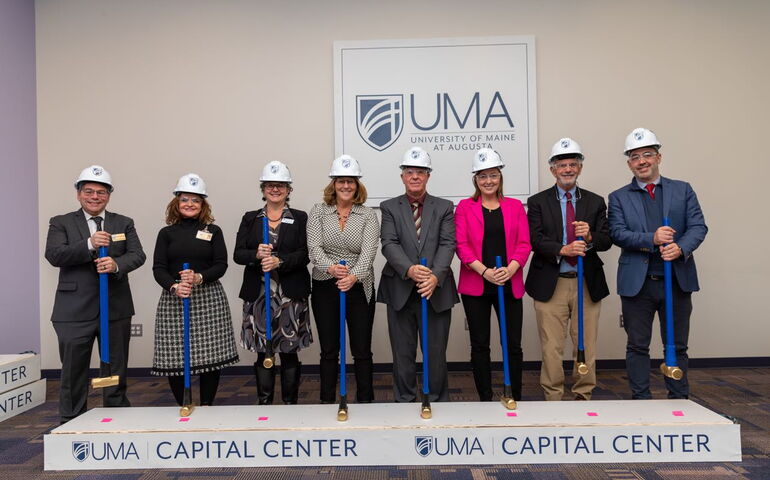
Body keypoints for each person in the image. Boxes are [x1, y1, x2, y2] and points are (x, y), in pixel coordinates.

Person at [608, 128, 707, 399]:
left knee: (677, 345)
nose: (642, 161)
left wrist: (680, 248)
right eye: (635, 157)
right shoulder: (618, 197)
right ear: (629, 163)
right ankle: (641, 400)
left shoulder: (682, 189)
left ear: (659, 157)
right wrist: (651, 238)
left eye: (647, 155)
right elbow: (617, 233)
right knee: (637, 346)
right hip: (638, 286)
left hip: (676, 281)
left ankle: (678, 399)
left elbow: (698, 226)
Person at [44, 165, 146, 424]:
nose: (95, 197)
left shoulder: (123, 223)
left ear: (109, 195)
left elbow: (137, 255)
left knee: (115, 367)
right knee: (73, 369)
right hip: (73, 310)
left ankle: (115, 417)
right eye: (88, 191)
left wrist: (116, 265)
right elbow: (54, 255)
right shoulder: (61, 222)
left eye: (101, 192)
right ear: (78, 194)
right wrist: (89, 245)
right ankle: (71, 419)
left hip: (115, 308)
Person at [525, 138, 612, 401]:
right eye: (562, 165)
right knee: (552, 345)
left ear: (580, 168)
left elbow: (607, 240)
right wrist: (563, 250)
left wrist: (589, 238)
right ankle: (553, 396)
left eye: (572, 164)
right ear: (552, 170)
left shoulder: (595, 202)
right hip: (552, 281)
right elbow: (535, 239)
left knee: (586, 343)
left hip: (587, 281)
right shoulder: (538, 201)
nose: (567, 169)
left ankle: (583, 395)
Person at [378, 146, 459, 403]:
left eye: (420, 172)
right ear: (402, 176)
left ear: (428, 175)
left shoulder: (445, 207)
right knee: (403, 352)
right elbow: (388, 243)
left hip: (436, 290)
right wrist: (410, 270)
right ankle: (404, 400)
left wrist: (434, 276)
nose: (415, 176)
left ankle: (436, 400)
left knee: (435, 353)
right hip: (401, 288)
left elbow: (448, 244)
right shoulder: (389, 207)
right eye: (410, 172)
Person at [151, 173, 239, 406]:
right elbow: (158, 268)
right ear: (176, 203)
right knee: (175, 356)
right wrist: (174, 286)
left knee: (211, 355)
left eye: (195, 200)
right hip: (175, 298)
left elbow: (221, 264)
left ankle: (207, 404)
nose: (190, 204)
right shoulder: (166, 233)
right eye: (185, 200)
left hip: (208, 297)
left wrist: (199, 277)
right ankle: (184, 403)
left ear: (203, 205)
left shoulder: (213, 230)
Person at [455, 148, 531, 401]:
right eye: (483, 176)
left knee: (512, 345)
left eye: (493, 175)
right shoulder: (465, 207)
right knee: (480, 345)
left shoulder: (515, 206)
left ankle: (515, 395)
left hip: (509, 283)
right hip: (477, 284)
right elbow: (461, 245)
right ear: (475, 179)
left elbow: (524, 243)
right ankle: (485, 398)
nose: (488, 181)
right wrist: (485, 271)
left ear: (500, 177)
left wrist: (510, 269)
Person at [234, 161, 312, 405]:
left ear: (288, 189)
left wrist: (281, 261)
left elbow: (305, 254)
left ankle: (290, 403)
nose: (275, 189)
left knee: (289, 353)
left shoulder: (299, 217)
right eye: (270, 185)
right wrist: (256, 255)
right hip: (259, 295)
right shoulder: (250, 219)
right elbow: (238, 254)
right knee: (262, 353)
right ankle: (264, 402)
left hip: (289, 296)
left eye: (280, 185)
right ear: (263, 188)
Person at [307, 155, 379, 404]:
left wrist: (352, 276)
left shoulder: (368, 215)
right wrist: (332, 269)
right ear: (333, 184)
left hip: (359, 286)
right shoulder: (318, 211)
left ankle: (365, 401)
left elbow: (369, 251)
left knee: (361, 350)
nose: (346, 186)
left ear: (357, 185)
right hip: (325, 285)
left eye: (350, 181)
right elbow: (314, 248)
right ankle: (327, 401)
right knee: (329, 350)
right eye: (341, 181)